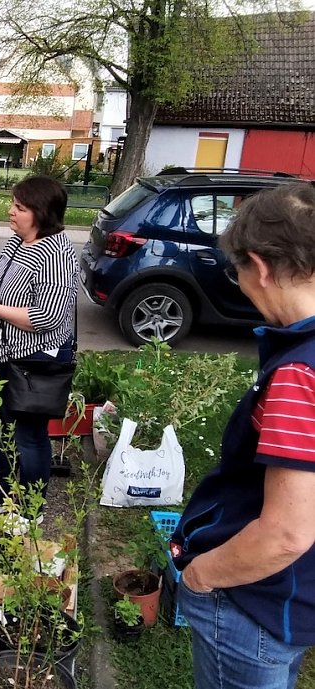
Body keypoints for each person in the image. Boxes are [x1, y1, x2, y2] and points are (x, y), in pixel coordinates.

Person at [171, 183, 315, 689]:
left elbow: (287, 533)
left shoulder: (300, 372)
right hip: (293, 603)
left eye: (238, 271)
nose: (241, 284)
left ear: (262, 266)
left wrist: (200, 576)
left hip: (254, 602)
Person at [0, 176, 78, 515]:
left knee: (28, 438)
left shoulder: (55, 253)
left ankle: (32, 509)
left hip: (32, 362)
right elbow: (6, 290)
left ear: (41, 214)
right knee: (0, 430)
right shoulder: (16, 243)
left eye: (20, 207)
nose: (11, 212)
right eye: (13, 204)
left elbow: (50, 316)